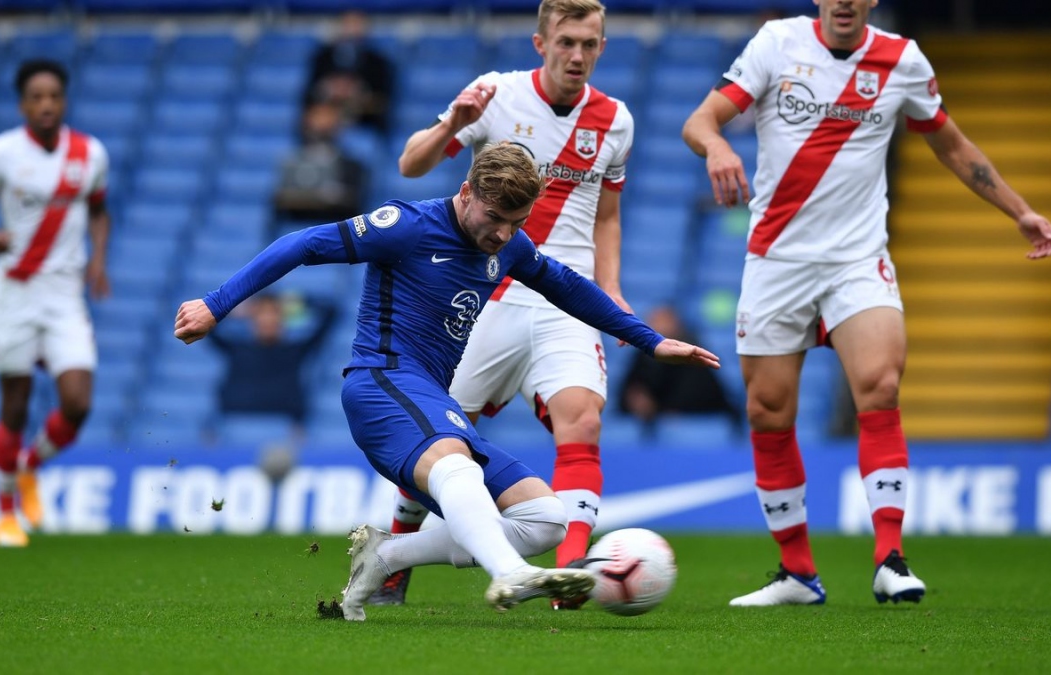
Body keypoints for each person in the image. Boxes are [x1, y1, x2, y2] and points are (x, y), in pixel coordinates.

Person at [172, 143, 719, 620]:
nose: (503, 234)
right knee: (456, 462)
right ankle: (509, 573)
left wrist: (652, 340)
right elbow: (305, 243)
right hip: (381, 383)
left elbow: (567, 287)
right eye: (495, 217)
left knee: (545, 519)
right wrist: (218, 304)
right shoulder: (407, 226)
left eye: (517, 222)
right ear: (466, 193)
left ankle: (387, 557)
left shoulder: (509, 245)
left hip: (430, 397)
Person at [682, 0, 1051, 607]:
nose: (844, 3)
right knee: (768, 411)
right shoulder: (776, 44)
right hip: (777, 260)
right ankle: (797, 574)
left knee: (880, 385)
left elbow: (954, 146)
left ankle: (890, 558)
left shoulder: (900, 59)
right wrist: (718, 148)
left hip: (858, 261)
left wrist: (1021, 211)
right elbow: (699, 120)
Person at [388, 0, 633, 608]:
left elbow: (607, 214)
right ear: (540, 42)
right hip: (484, 293)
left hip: (564, 297)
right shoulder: (494, 93)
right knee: (438, 440)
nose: (578, 55)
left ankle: (572, 572)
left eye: (590, 44)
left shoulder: (616, 120)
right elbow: (410, 164)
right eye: (567, 42)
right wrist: (451, 126)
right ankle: (393, 554)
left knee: (583, 418)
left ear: (602, 47)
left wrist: (613, 287)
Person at [0, 59, 111, 548]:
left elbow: (100, 211)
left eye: (54, 96)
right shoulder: (1, 153)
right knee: (15, 407)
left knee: (78, 402)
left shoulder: (89, 153)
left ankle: (30, 465)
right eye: (36, 97)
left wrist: (98, 261)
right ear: (23, 104)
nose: (46, 105)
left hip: (64, 293)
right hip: (15, 293)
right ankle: (5, 513)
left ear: (64, 101)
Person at [207, 293, 337, 428]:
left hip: (284, 430)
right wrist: (233, 309)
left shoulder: (295, 351)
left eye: (273, 313)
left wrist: (298, 303)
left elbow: (331, 312)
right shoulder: (235, 349)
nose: (268, 320)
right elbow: (206, 323)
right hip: (235, 426)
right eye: (262, 314)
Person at [619, 304, 740, 433]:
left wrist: (661, 409)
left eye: (664, 322)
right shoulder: (642, 355)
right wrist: (635, 399)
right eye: (654, 322)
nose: (659, 327)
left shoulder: (692, 353)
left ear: (677, 325)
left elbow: (703, 395)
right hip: (656, 423)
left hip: (695, 422)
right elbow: (629, 392)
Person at [273, 101, 367, 237]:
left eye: (328, 118)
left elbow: (353, 203)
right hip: (296, 226)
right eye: (318, 117)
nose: (322, 124)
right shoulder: (292, 160)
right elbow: (279, 198)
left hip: (335, 231)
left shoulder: (352, 165)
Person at [303, 10, 394, 135]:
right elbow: (309, 94)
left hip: (365, 123)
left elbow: (383, 101)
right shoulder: (322, 57)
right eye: (348, 24)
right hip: (326, 123)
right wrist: (329, 89)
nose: (352, 30)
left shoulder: (377, 62)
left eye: (356, 24)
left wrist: (359, 93)